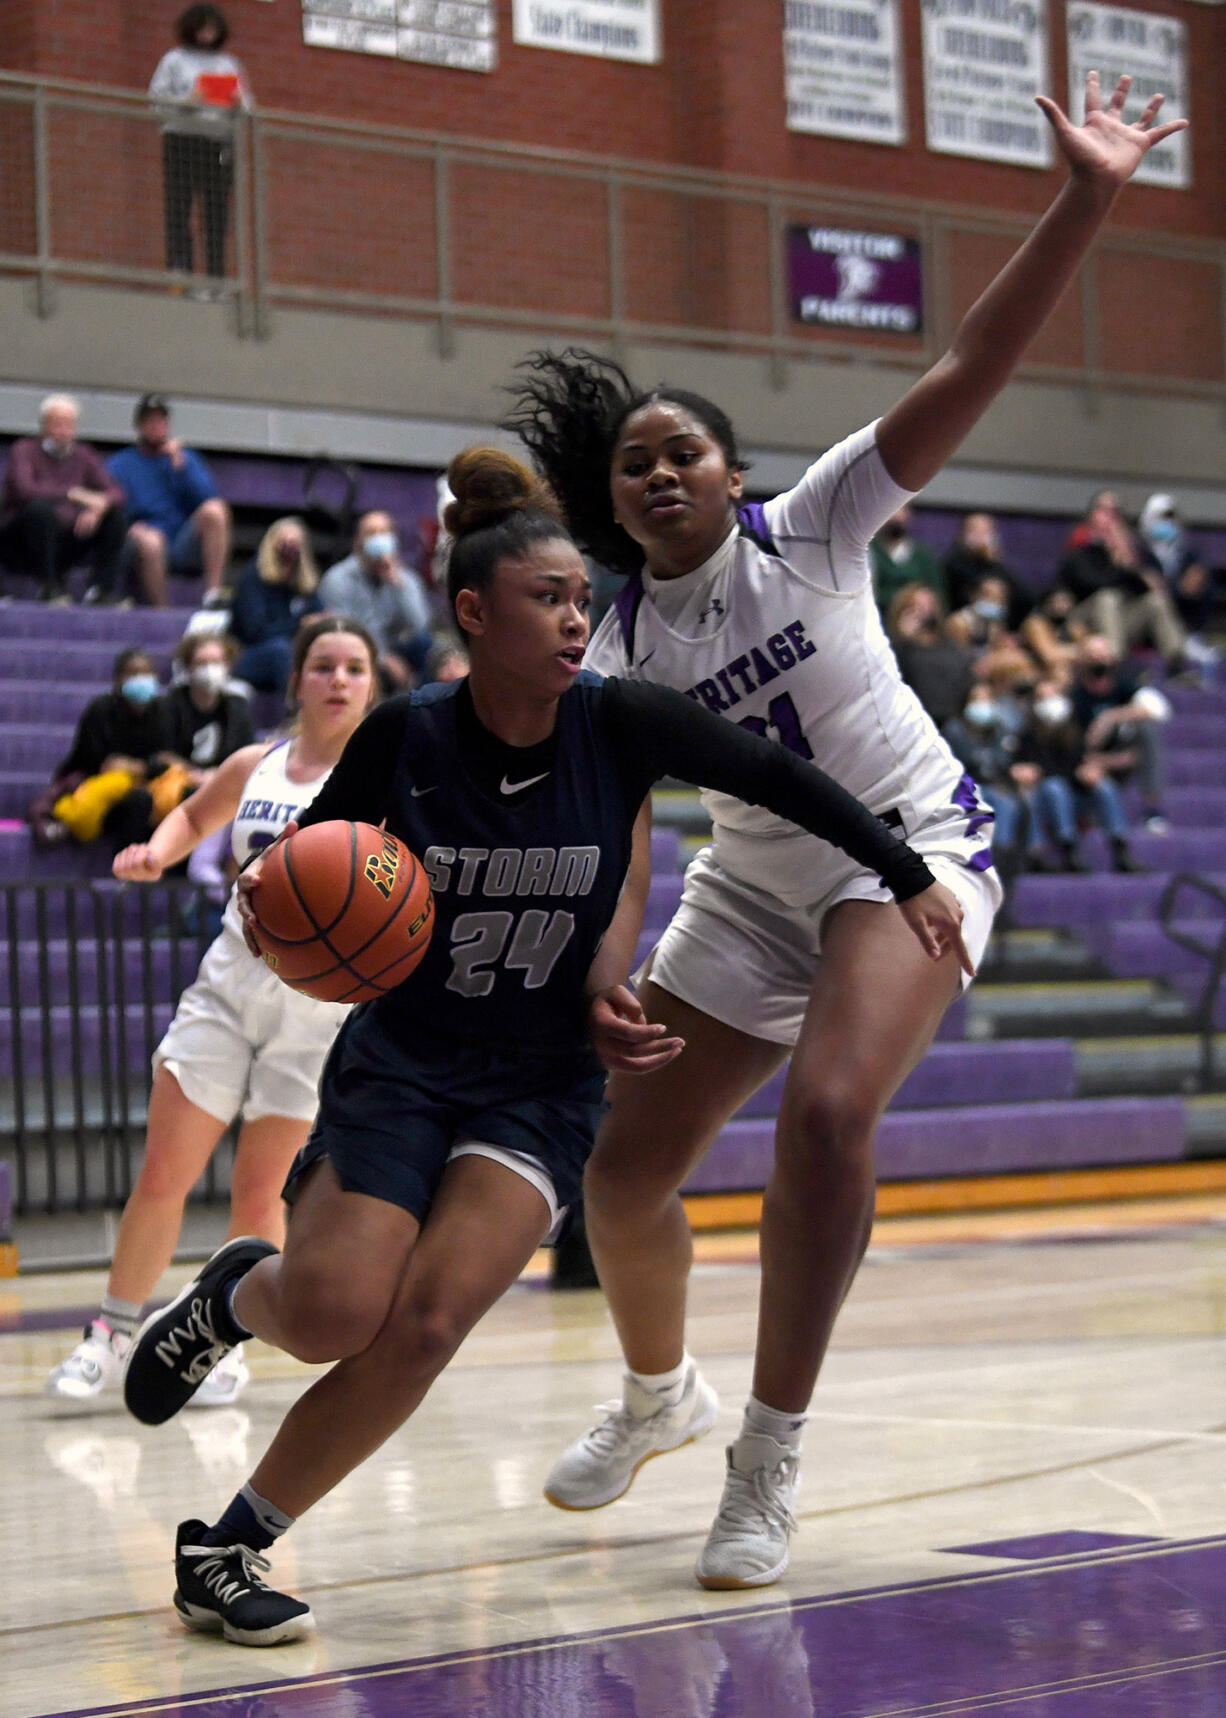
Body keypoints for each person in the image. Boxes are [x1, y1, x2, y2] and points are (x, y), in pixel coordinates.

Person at [503, 73, 1187, 1591]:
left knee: (823, 1117)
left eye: (686, 447)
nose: (663, 466)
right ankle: (652, 1396)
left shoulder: (816, 521)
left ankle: (767, 1451)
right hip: (747, 891)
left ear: (732, 472)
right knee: (617, 1172)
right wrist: (607, 967)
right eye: (635, 461)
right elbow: (616, 833)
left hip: (910, 855)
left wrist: (1083, 194)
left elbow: (971, 355)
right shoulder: (612, 647)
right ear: (614, 506)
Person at [120, 447, 965, 1645]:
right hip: (406, 1059)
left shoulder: (619, 720)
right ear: (473, 613)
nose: (576, 618)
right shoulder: (405, 737)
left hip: (540, 1083)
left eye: (581, 597)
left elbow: (780, 774)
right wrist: (277, 905)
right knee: (328, 1310)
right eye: (547, 599)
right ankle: (233, 1297)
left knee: (424, 1324)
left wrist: (906, 869)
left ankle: (228, 1543)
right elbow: (294, 874)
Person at [46, 615, 379, 1411]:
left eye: (355, 668)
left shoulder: (390, 778)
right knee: (165, 1173)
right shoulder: (255, 763)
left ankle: (217, 1343)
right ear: (296, 679)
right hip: (228, 992)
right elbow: (195, 815)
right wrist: (158, 852)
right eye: (324, 665)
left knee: (260, 1197)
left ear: (372, 684)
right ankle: (113, 1331)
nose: (338, 680)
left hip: (317, 1015)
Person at [149, 4, 251, 291]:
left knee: (217, 211)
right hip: (182, 139)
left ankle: (216, 280)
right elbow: (155, 100)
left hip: (217, 140)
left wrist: (236, 102)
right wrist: (188, 101)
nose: (207, 34)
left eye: (212, 28)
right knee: (179, 207)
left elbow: (248, 107)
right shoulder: (174, 61)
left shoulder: (228, 64)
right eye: (202, 27)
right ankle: (182, 276)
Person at [31, 647, 168, 853]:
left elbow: (168, 759)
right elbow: (99, 763)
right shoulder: (101, 709)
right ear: (118, 678)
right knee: (137, 799)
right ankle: (123, 868)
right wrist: (139, 768)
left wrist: (134, 767)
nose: (141, 679)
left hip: (149, 788)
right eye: (133, 673)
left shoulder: (164, 711)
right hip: (98, 787)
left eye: (146, 673)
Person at [0, 394, 126, 603]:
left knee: (114, 516)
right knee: (40, 511)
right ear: (44, 426)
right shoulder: (24, 450)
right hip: (23, 539)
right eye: (57, 424)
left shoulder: (83, 454)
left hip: (69, 535)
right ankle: (48, 587)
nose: (63, 431)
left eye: (69, 424)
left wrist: (98, 508)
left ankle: (101, 590)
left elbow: (116, 492)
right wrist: (71, 493)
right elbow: (25, 490)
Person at [107, 394, 232, 604]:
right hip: (143, 538)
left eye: (161, 420)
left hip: (182, 539)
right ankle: (161, 611)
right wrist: (130, 526)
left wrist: (181, 468)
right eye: (150, 421)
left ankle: (213, 595)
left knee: (215, 510)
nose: (156, 426)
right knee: (151, 541)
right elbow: (111, 501)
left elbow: (208, 498)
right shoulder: (121, 463)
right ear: (139, 425)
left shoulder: (186, 459)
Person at [1015, 675, 1142, 873]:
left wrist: (1089, 769)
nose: (1050, 702)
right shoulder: (1027, 733)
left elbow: (1082, 760)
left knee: (1104, 787)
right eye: (1043, 698)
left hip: (1075, 793)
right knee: (1054, 787)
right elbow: (1029, 768)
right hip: (1045, 796)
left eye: (1054, 695)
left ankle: (1120, 849)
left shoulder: (1077, 727)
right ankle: (1068, 849)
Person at [1057, 488, 1185, 669]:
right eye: (1103, 510)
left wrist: (1128, 563)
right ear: (1091, 515)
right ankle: (1114, 665)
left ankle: (1177, 663)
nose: (1108, 517)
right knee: (1108, 597)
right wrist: (1118, 567)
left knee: (1154, 602)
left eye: (1114, 512)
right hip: (1083, 619)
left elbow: (1144, 590)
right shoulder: (1080, 547)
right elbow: (1092, 584)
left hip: (1119, 621)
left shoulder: (1126, 551)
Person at [318, 511, 434, 689]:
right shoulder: (337, 578)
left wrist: (397, 584)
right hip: (356, 653)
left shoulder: (405, 579)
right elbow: (343, 631)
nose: (380, 538)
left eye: (385, 532)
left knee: (425, 644)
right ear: (358, 541)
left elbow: (420, 625)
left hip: (396, 648)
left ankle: (425, 711)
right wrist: (382, 658)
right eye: (371, 533)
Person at [1070, 633, 1170, 833]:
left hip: (1118, 756)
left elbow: (1160, 710)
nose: (1098, 659)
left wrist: (1110, 716)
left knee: (1146, 729)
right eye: (1092, 654)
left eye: (1102, 654)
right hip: (1083, 762)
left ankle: (1152, 808)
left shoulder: (1123, 683)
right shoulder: (1074, 691)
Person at [230, 516, 324, 695]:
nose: (290, 547)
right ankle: (295, 712)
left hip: (291, 652)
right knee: (281, 650)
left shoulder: (305, 583)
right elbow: (256, 632)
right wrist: (300, 625)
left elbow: (318, 615)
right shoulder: (253, 579)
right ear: (271, 545)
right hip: (248, 655)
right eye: (285, 542)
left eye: (296, 543)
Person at [1138, 493, 1219, 686]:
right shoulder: (1140, 552)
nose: (1167, 524)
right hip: (1147, 618)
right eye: (1161, 518)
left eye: (1170, 519)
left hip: (1182, 611)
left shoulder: (1186, 553)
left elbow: (1193, 581)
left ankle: (1192, 636)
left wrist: (1189, 587)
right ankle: (1176, 657)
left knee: (1206, 587)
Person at [161, 632, 256, 776]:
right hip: (180, 783)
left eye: (216, 662)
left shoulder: (237, 706)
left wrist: (218, 776)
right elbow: (163, 756)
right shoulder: (168, 705)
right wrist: (194, 774)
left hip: (223, 784)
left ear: (228, 665)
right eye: (201, 663)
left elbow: (247, 754)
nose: (209, 669)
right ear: (188, 666)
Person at [884, 582, 975, 727]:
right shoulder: (894, 644)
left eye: (927, 606)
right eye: (915, 607)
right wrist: (903, 638)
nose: (923, 612)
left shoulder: (948, 646)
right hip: (906, 718)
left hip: (948, 718)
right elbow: (888, 674)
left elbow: (965, 677)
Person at [942, 511, 1028, 623]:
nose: (981, 537)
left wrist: (994, 561)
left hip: (998, 621)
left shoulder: (995, 564)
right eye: (975, 531)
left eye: (985, 532)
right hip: (961, 619)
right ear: (963, 534)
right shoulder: (952, 562)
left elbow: (1024, 596)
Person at [869, 503, 945, 616]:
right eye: (891, 511)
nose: (896, 516)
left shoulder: (922, 553)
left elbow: (936, 591)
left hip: (917, 616)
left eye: (901, 511)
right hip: (879, 614)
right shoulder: (871, 551)